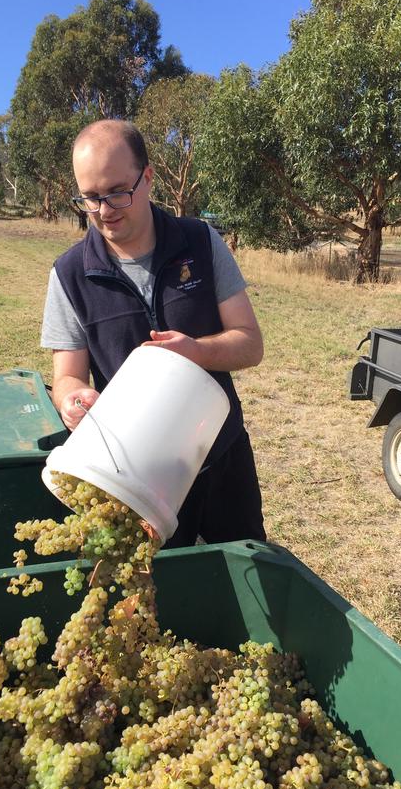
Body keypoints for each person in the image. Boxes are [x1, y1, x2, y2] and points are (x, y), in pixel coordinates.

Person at [41, 119, 266, 547]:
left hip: (222, 459)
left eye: (117, 192)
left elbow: (249, 343)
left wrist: (196, 352)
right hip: (136, 482)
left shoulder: (200, 242)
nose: (105, 210)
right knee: (159, 602)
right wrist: (71, 399)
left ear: (148, 177)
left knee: (243, 582)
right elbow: (67, 375)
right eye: (90, 198)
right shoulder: (69, 275)